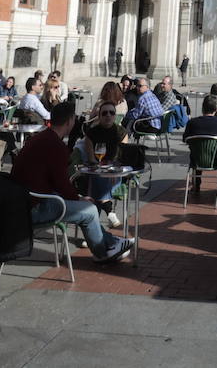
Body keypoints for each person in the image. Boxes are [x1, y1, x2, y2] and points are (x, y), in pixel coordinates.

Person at [10, 101, 133, 263]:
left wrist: (76, 197)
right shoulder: (55, 145)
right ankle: (103, 252)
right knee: (89, 210)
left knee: (86, 206)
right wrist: (78, 198)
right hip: (35, 206)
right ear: (69, 121)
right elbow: (61, 183)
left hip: (22, 201)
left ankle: (110, 243)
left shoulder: (41, 138)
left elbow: (57, 182)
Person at [79, 101, 129, 227]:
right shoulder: (91, 133)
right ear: (99, 116)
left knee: (95, 188)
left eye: (111, 113)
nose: (108, 115)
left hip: (115, 172)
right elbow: (91, 158)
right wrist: (102, 169)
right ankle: (109, 210)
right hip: (97, 170)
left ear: (114, 115)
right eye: (104, 113)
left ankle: (93, 231)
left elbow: (122, 158)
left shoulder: (121, 132)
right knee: (98, 178)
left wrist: (111, 171)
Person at [183, 96, 217, 193]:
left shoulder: (192, 123)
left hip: (197, 160)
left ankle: (196, 185)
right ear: (216, 109)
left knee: (198, 150)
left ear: (202, 108)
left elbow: (185, 139)